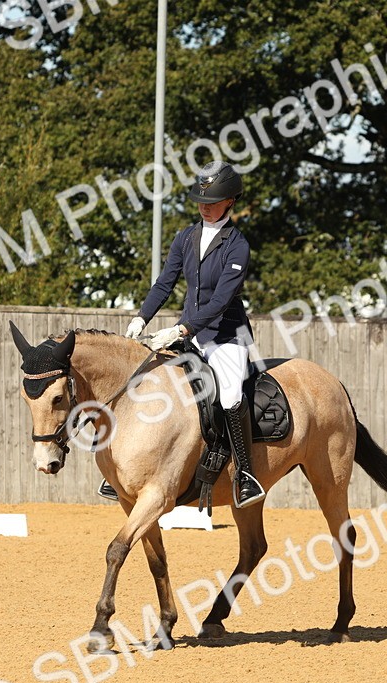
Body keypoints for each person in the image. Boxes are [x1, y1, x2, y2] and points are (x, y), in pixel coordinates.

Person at [101, 160, 265, 508]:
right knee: (145, 380)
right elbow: (165, 283)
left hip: (225, 337)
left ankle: (246, 476)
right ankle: (117, 469)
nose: (205, 206)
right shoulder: (186, 237)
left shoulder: (238, 246)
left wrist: (182, 327)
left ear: (230, 201)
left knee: (230, 395)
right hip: (187, 333)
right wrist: (141, 319)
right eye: (201, 201)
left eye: (214, 200)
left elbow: (222, 300)